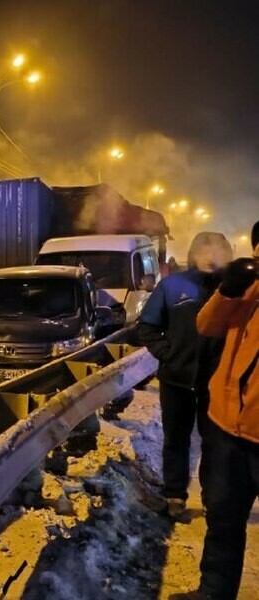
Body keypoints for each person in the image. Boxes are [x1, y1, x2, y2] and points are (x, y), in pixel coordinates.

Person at [176, 221, 258, 600]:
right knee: (223, 520)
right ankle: (213, 593)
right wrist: (229, 291)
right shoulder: (248, 287)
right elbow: (207, 326)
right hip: (227, 427)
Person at [136, 232, 232, 521]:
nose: (209, 257)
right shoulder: (172, 286)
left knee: (215, 443)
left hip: (216, 384)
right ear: (193, 255)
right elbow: (148, 327)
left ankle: (213, 500)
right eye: (203, 251)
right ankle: (175, 496)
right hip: (176, 380)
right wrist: (169, 355)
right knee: (176, 440)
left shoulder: (231, 290)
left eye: (216, 251)